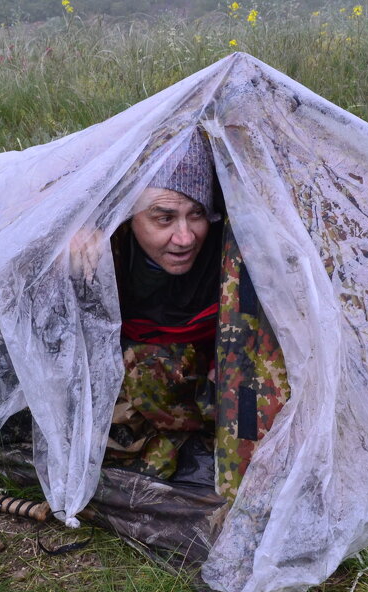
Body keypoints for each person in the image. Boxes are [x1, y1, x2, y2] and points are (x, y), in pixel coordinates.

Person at [105, 131, 224, 479]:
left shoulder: (232, 254)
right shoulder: (107, 249)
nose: (185, 238)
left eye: (197, 214)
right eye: (164, 218)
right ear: (129, 216)